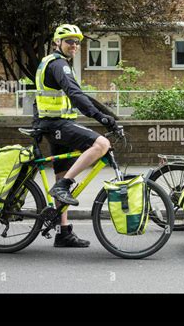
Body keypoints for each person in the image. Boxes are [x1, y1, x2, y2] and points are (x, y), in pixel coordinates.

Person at [33, 24, 118, 248]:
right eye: (69, 41)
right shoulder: (59, 64)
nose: (74, 45)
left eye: (77, 42)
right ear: (57, 43)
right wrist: (100, 118)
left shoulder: (50, 63)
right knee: (101, 144)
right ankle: (65, 186)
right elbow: (75, 94)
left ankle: (63, 233)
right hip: (57, 125)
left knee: (60, 175)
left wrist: (110, 116)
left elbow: (78, 95)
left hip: (54, 125)